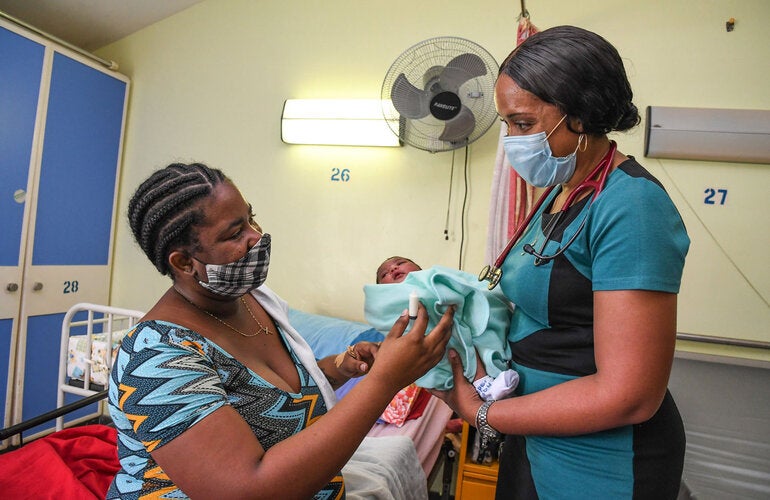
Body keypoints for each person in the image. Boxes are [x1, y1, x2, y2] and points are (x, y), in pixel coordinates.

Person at [430, 26, 690, 499]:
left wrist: (482, 413)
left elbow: (629, 395)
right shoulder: (561, 189)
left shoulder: (631, 206)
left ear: (581, 115)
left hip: (603, 458)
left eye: (523, 124)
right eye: (507, 123)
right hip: (535, 433)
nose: (510, 140)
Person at [107, 162, 454, 499]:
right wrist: (384, 382)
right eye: (234, 233)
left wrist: (337, 368)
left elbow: (273, 395)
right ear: (184, 263)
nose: (256, 236)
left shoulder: (254, 298)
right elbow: (248, 488)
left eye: (250, 218)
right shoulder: (157, 357)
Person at [368, 256, 518, 401]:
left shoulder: (432, 278)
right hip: (433, 349)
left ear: (419, 269)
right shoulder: (391, 307)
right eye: (384, 274)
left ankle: (488, 379)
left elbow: (467, 285)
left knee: (468, 332)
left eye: (400, 263)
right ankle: (482, 382)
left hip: (464, 325)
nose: (393, 268)